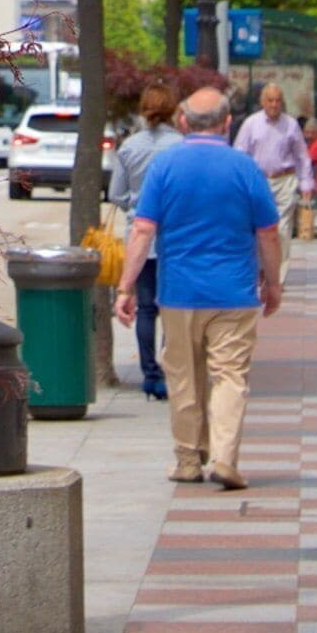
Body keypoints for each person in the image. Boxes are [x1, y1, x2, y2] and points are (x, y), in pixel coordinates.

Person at [114, 88, 285, 490]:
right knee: (229, 376)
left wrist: (126, 288)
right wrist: (273, 283)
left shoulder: (165, 167)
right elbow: (269, 232)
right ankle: (224, 457)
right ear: (228, 124)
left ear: (184, 122)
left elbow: (142, 230)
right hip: (234, 293)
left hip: (179, 293)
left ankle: (188, 459)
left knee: (184, 377)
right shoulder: (245, 168)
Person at [113, 85, 182, 400]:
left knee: (144, 307)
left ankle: (149, 374)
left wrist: (135, 205)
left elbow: (116, 194)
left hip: (139, 235)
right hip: (174, 236)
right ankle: (169, 372)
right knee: (170, 307)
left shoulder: (129, 147)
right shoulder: (181, 147)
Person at [238, 84, 308, 238]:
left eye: (277, 101)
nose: (274, 105)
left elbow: (301, 156)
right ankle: (263, 262)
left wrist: (306, 184)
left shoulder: (291, 124)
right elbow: (240, 155)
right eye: (270, 100)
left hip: (284, 180)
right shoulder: (251, 124)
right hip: (259, 181)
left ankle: (281, 263)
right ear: (262, 102)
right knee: (261, 228)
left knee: (282, 228)